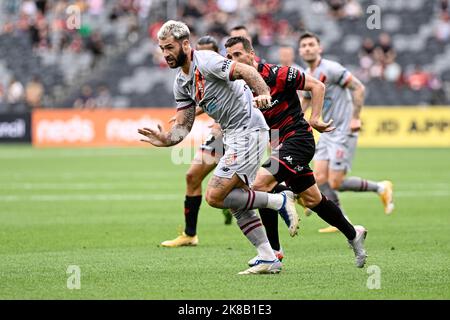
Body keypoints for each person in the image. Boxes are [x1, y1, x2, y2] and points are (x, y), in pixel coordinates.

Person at [138, 21, 299, 275]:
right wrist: (166, 139)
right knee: (235, 200)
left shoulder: (208, 62)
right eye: (162, 48)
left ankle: (278, 200)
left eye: (169, 47)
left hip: (248, 130)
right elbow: (184, 125)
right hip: (233, 135)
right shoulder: (181, 82)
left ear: (185, 44)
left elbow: (246, 71)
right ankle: (268, 257)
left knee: (215, 195)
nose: (165, 53)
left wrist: (263, 92)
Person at [225, 36, 368, 268]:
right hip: (279, 144)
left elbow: (317, 86)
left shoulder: (278, 73)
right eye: (229, 57)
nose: (234, 60)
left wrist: (314, 118)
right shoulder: (239, 85)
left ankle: (273, 253)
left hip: (298, 139)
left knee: (260, 185)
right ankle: (354, 234)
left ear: (252, 54)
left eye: (238, 54)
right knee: (313, 199)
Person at [298, 32, 394, 234]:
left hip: (343, 130)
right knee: (320, 177)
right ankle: (342, 221)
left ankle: (381, 187)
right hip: (327, 131)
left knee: (335, 182)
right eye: (304, 45)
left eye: (311, 44)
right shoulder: (308, 74)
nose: (307, 48)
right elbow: (304, 103)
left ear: (319, 48)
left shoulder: (331, 68)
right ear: (300, 51)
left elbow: (358, 87)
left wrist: (355, 117)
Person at [160, 35, 233, 248]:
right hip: (219, 136)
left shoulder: (221, 69)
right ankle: (190, 234)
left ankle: (291, 194)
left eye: (206, 51)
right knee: (192, 176)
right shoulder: (190, 74)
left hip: (241, 132)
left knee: (259, 184)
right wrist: (190, 113)